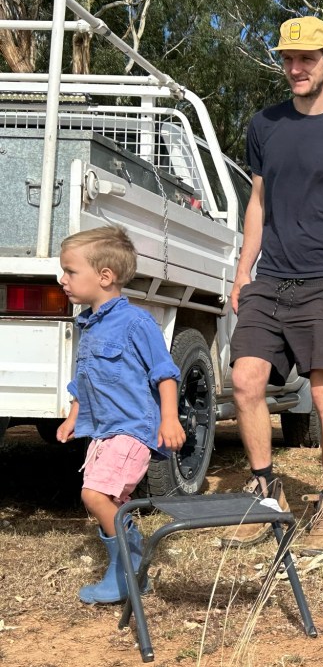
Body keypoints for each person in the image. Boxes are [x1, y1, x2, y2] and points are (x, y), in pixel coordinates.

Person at [224, 15, 323, 556]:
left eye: (307, 59)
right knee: (245, 381)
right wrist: (243, 269)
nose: (296, 68)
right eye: (289, 59)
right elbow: (258, 202)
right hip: (271, 278)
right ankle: (265, 492)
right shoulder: (264, 124)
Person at [55, 226, 186, 604]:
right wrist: (74, 415)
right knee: (107, 500)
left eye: (70, 271)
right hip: (104, 431)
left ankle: (126, 568)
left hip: (131, 429)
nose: (63, 280)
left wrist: (170, 418)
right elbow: (85, 378)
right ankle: (132, 570)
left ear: (105, 276)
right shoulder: (90, 324)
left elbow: (165, 373)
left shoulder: (136, 323)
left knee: (94, 495)